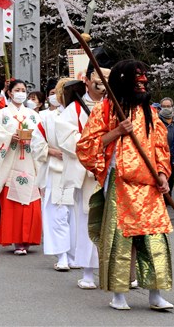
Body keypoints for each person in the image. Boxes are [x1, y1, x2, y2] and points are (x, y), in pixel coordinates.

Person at [76, 60, 174, 311]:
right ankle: (118, 295)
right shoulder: (106, 109)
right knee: (120, 240)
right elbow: (86, 147)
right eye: (137, 79)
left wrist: (162, 174)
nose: (143, 83)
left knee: (155, 240)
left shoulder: (151, 113)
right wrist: (117, 131)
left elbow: (161, 148)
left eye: (145, 79)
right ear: (124, 81)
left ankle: (155, 293)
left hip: (150, 186)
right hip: (120, 184)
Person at [56, 75, 107, 289]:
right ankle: (88, 272)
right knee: (89, 219)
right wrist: (95, 148)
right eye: (98, 76)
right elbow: (67, 138)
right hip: (88, 171)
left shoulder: (114, 104)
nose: (102, 82)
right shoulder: (74, 109)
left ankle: (120, 271)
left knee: (114, 220)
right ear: (86, 80)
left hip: (113, 168)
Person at [0, 79, 42, 255]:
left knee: (32, 202)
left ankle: (29, 239)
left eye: (23, 90)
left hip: (30, 159)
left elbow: (41, 135)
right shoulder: (0, 114)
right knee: (13, 202)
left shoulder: (33, 115)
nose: (21, 93)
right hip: (11, 160)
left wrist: (33, 139)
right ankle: (17, 240)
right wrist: (10, 137)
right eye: (17, 89)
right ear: (9, 93)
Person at [33, 77, 76, 270]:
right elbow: (36, 143)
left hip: (78, 169)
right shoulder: (46, 117)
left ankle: (76, 254)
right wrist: (51, 151)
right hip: (56, 169)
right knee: (57, 213)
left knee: (76, 215)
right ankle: (62, 255)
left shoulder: (81, 115)